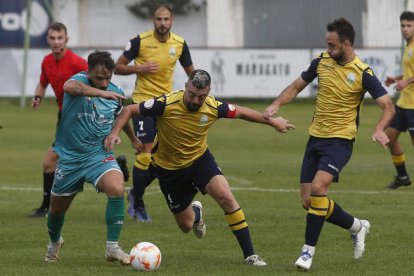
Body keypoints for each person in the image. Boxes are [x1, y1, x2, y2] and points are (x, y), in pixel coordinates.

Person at [104, 69, 295, 266]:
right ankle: (196, 214)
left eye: (201, 96)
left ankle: (250, 255)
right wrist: (115, 132)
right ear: (186, 87)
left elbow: (241, 112)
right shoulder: (165, 103)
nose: (196, 100)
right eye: (192, 94)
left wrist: (272, 122)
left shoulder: (213, 107)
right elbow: (129, 110)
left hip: (200, 160)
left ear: (209, 92)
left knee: (226, 197)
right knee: (186, 225)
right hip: (170, 170)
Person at [263, 18, 395, 271]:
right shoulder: (321, 61)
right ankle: (356, 226)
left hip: (340, 140)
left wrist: (379, 128)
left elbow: (388, 105)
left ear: (346, 44)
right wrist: (277, 104)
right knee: (309, 201)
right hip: (315, 138)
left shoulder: (363, 73)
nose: (328, 48)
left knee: (318, 186)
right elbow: (296, 86)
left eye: (332, 45)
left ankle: (307, 252)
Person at [44, 50, 142, 264]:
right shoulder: (78, 82)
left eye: (108, 78)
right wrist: (99, 93)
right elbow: (68, 87)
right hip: (70, 159)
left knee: (117, 188)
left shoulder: (114, 93)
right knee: (56, 212)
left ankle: (112, 248)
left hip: (98, 156)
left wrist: (131, 138)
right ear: (88, 72)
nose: (105, 83)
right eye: (99, 78)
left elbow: (122, 116)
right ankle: (54, 242)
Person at [114, 4, 194, 221]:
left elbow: (191, 73)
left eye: (166, 19)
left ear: (172, 20)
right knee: (146, 152)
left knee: (164, 158)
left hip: (166, 106)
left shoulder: (179, 44)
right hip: (142, 103)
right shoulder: (139, 41)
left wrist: (197, 89)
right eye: (159, 19)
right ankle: (138, 202)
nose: (162, 23)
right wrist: (139, 68)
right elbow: (118, 67)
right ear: (153, 20)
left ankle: (134, 193)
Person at [29, 22, 88, 217]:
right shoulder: (46, 61)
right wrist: (37, 96)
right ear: (47, 40)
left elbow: (99, 83)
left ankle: (47, 208)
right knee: (70, 161)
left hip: (79, 118)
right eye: (52, 38)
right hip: (63, 117)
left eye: (59, 38)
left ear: (66, 40)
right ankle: (48, 207)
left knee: (50, 162)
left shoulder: (78, 62)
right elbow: (42, 83)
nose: (56, 42)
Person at [383, 11, 414, 189]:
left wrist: (406, 81)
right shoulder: (408, 46)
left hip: (413, 105)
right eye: (403, 25)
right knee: (389, 138)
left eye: (409, 25)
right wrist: (397, 78)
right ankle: (403, 177)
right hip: (404, 103)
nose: (405, 29)